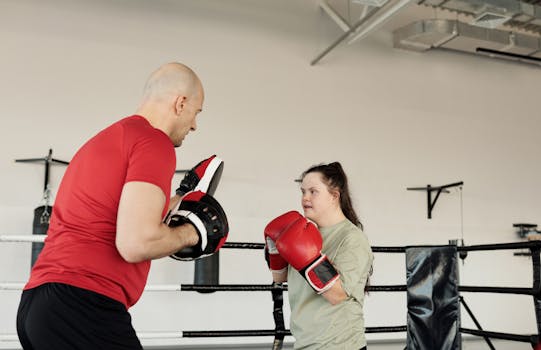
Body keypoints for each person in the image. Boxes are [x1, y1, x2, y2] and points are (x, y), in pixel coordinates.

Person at [16, 62, 228, 349]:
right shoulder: (154, 143)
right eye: (196, 112)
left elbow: (115, 215)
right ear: (181, 103)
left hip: (38, 305)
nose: (194, 125)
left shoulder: (104, 141)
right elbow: (136, 243)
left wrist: (176, 202)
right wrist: (192, 232)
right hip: (82, 305)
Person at [264, 162, 374, 350]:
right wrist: (275, 249)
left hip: (340, 345)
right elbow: (279, 278)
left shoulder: (352, 238)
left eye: (313, 191)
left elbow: (337, 295)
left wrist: (309, 258)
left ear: (334, 196)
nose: (305, 198)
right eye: (303, 191)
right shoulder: (303, 233)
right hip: (305, 342)